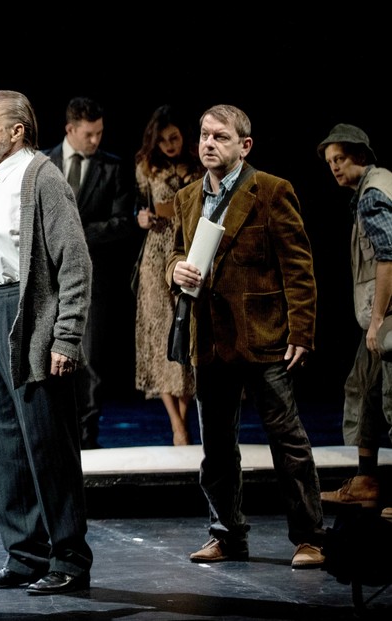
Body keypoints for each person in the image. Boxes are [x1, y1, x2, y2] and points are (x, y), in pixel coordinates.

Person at [168, 104, 326, 569]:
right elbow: (175, 253)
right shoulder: (187, 197)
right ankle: (226, 535)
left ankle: (310, 537)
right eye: (204, 135)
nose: (208, 143)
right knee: (217, 447)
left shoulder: (271, 191)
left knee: (287, 439)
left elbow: (298, 267)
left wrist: (302, 331)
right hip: (210, 338)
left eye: (220, 136)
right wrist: (174, 269)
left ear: (244, 145)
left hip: (263, 335)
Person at [0, 90, 94, 595]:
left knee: (48, 443)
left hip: (27, 314)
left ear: (16, 130)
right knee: (3, 444)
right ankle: (25, 554)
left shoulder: (42, 177)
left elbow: (75, 263)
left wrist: (66, 337)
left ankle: (69, 558)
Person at [45, 96, 137, 449]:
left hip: (93, 276)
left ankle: (87, 432)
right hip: (48, 275)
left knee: (90, 356)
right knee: (46, 349)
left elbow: (122, 222)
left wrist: (75, 234)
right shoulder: (43, 163)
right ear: (70, 129)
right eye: (89, 134)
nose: (96, 140)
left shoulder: (112, 167)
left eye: (100, 133)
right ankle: (53, 428)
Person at [315, 124, 392, 520]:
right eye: (330, 162)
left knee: (390, 399)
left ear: (360, 156)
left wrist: (378, 320)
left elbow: (388, 257)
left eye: (340, 159)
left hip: (387, 318)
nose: (334, 167)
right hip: (378, 320)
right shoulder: (371, 190)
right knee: (363, 388)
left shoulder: (374, 195)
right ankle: (365, 481)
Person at [133, 105, 202, 446]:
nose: (169, 145)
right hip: (156, 255)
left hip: (189, 251)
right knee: (159, 336)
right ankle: (177, 425)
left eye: (174, 138)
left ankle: (184, 420)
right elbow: (139, 206)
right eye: (162, 141)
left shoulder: (199, 164)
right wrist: (141, 218)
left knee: (187, 334)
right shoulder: (145, 167)